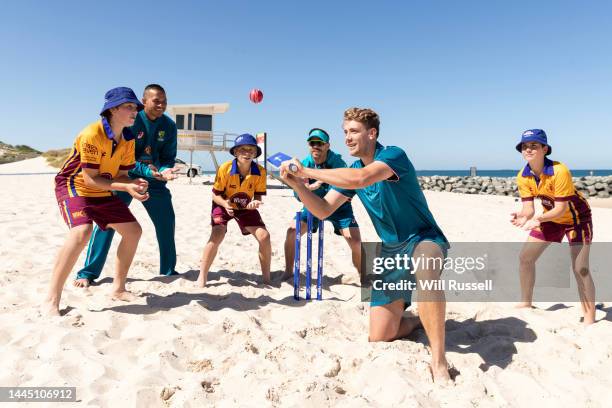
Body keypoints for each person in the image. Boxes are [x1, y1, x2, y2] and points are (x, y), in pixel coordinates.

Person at [280, 108, 451, 382]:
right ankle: (420, 319)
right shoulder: (353, 170)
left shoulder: (393, 155)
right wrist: (298, 185)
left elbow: (362, 179)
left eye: (354, 131)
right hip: (392, 252)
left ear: (371, 133)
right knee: (380, 335)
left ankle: (438, 360)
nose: (347, 138)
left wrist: (308, 171)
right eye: (345, 132)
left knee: (425, 263)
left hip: (424, 237)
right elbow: (323, 209)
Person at [44, 87, 149, 316]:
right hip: (74, 185)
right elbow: (91, 179)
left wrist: (135, 184)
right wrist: (126, 187)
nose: (135, 112)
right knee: (82, 232)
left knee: (133, 231)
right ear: (112, 109)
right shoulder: (92, 133)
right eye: (129, 107)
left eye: (135, 108)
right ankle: (52, 298)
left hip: (101, 188)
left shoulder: (128, 139)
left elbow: (120, 176)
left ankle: (119, 289)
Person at [73, 84, 179, 287]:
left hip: (155, 181)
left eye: (164, 101)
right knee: (106, 224)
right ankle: (88, 273)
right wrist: (147, 171)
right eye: (156, 100)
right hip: (123, 177)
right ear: (144, 100)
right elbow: (127, 159)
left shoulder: (169, 126)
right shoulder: (130, 118)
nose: (161, 105)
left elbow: (168, 157)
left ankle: (168, 270)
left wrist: (165, 170)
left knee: (166, 223)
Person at [511, 129, 596, 324]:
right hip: (551, 219)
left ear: (545, 149)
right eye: (525, 146)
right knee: (525, 258)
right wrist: (522, 215)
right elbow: (529, 209)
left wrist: (537, 220)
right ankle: (526, 303)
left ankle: (590, 318)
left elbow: (560, 208)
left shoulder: (559, 170)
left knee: (580, 268)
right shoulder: (523, 176)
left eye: (534, 146)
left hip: (577, 219)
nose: (528, 149)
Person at [281, 128, 362, 281]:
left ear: (327, 146)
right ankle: (288, 271)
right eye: (312, 143)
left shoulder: (338, 162)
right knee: (291, 232)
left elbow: (343, 188)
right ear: (308, 145)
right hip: (313, 206)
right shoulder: (303, 164)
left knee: (355, 242)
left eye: (320, 143)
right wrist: (304, 189)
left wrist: (322, 183)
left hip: (339, 207)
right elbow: (299, 197)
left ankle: (362, 274)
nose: (316, 146)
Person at [197, 134, 271, 287]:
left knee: (264, 237)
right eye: (242, 149)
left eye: (251, 149)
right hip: (222, 203)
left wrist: (256, 201)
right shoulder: (225, 168)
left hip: (244, 206)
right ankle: (202, 276)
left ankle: (266, 279)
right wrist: (225, 204)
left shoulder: (261, 172)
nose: (247, 152)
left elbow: (258, 195)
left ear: (256, 153)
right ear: (236, 152)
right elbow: (214, 195)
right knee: (217, 234)